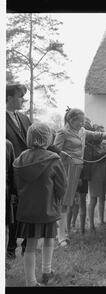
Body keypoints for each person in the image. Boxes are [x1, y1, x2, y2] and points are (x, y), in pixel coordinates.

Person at [53, 108, 106, 246]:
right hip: (65, 169)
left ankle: (62, 232)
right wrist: (64, 154)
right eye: (80, 121)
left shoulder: (82, 131)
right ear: (71, 120)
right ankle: (60, 236)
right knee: (63, 202)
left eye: (83, 121)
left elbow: (97, 135)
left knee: (68, 202)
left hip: (77, 169)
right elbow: (55, 151)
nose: (83, 124)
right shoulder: (62, 132)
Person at [13, 122, 67, 286]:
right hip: (47, 208)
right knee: (50, 239)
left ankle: (31, 281)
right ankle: (46, 271)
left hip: (28, 209)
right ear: (47, 138)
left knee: (30, 244)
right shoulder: (53, 159)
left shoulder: (21, 158)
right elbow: (62, 185)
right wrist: (57, 199)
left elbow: (17, 184)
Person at [6, 83, 31, 259]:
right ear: (8, 98)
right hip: (10, 173)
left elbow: (36, 140)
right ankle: (10, 248)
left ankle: (27, 247)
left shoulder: (24, 118)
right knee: (13, 210)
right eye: (20, 96)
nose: (23, 99)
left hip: (29, 171)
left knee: (29, 208)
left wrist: (58, 152)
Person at [6, 140, 16, 268]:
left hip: (5, 190)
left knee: (5, 226)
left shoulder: (7, 145)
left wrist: (14, 192)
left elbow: (12, 171)